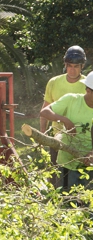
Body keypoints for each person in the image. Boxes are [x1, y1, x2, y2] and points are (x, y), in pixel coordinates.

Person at [40, 46, 87, 187]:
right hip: (57, 137)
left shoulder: (87, 84)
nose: (72, 70)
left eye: (76, 66)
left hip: (81, 139)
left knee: (78, 179)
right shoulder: (54, 82)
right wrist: (42, 134)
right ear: (65, 65)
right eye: (69, 66)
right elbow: (45, 109)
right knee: (56, 178)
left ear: (82, 66)